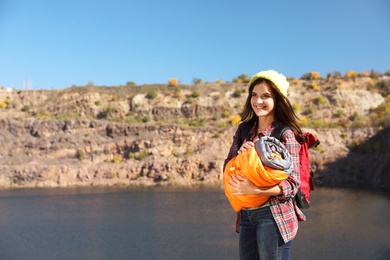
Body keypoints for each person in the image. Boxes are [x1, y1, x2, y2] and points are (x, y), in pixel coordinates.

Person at [223, 70, 306, 260]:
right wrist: (240, 157)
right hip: (246, 216)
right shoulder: (243, 130)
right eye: (254, 95)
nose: (258, 101)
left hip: (274, 215)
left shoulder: (285, 134)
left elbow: (293, 184)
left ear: (278, 99)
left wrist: (258, 190)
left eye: (266, 96)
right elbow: (227, 167)